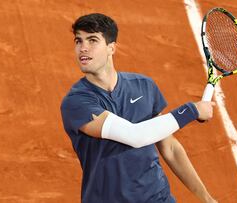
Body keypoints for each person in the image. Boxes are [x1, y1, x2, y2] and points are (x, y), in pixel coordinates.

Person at [60, 13, 217, 203]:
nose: (83, 48)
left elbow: (170, 148)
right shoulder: (76, 103)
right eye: (78, 41)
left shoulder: (144, 86)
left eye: (92, 40)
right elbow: (135, 136)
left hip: (157, 198)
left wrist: (206, 198)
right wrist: (192, 111)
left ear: (111, 48)